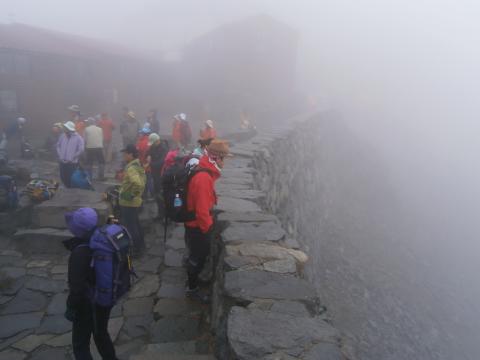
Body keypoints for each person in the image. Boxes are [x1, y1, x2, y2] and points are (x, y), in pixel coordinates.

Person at [63, 207, 118, 360]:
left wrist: (71, 306)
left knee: (80, 344)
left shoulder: (80, 252)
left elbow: (77, 288)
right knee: (101, 334)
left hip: (87, 303)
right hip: (104, 296)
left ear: (78, 229)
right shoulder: (102, 238)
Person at [185, 139, 232, 302]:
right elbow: (202, 211)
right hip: (197, 226)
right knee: (197, 257)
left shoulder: (204, 171)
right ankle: (192, 288)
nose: (224, 162)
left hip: (195, 224)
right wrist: (208, 230)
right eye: (224, 158)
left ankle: (194, 280)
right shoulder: (204, 178)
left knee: (196, 255)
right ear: (216, 158)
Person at [119, 144, 146, 255]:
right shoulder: (137, 165)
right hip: (134, 202)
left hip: (129, 202)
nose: (124, 155)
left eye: (125, 153)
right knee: (136, 224)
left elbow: (138, 184)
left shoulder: (131, 168)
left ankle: (137, 249)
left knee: (131, 226)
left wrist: (131, 195)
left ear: (131, 154)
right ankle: (141, 245)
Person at [145, 133, 169, 216]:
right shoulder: (153, 146)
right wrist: (148, 155)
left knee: (161, 195)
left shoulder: (164, 149)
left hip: (161, 175)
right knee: (157, 195)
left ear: (157, 141)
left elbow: (161, 163)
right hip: (155, 174)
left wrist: (150, 163)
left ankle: (165, 215)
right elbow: (148, 153)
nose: (151, 145)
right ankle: (160, 213)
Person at [57, 121, 84, 188]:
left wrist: (73, 157)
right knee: (62, 176)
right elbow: (58, 145)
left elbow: (81, 149)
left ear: (70, 129)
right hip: (62, 161)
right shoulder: (62, 136)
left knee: (70, 176)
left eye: (66, 128)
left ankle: (70, 188)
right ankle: (66, 186)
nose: (64, 130)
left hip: (71, 162)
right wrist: (60, 155)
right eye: (65, 128)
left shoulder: (78, 138)